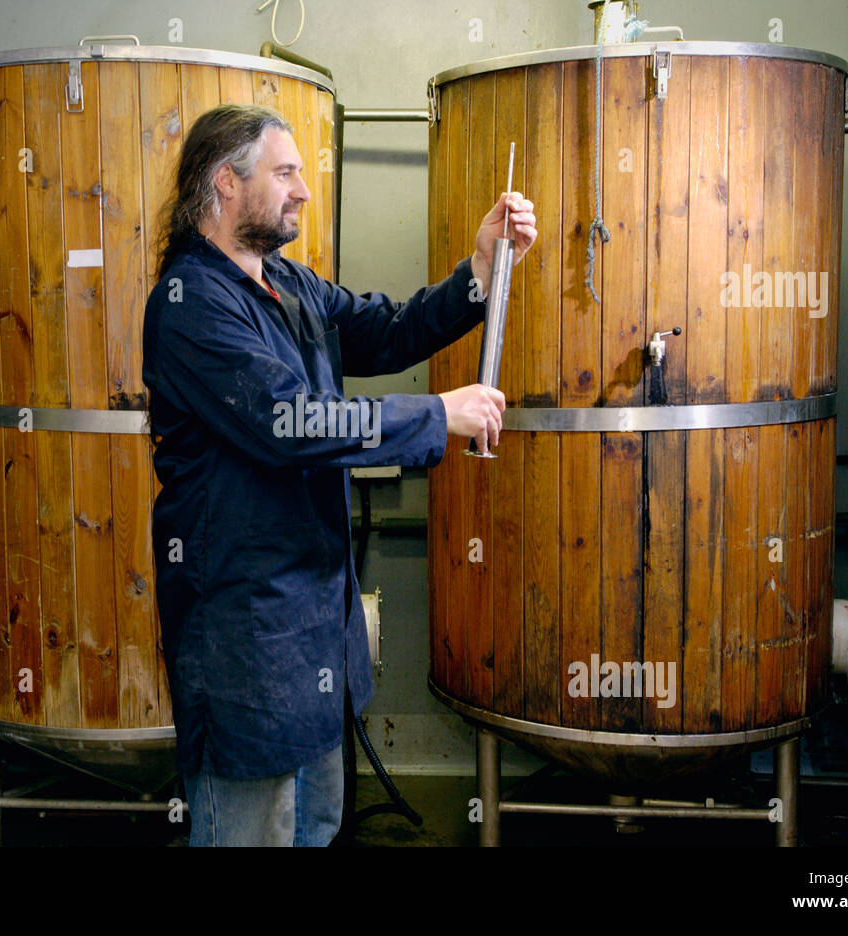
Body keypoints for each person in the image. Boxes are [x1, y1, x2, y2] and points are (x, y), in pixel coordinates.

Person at [142, 103, 536, 846]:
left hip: (313, 626)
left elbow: (390, 328)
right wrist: (435, 415)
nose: (304, 190)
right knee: (252, 833)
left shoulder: (287, 284)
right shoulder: (191, 306)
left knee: (318, 827)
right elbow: (290, 423)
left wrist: (481, 268)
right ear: (226, 182)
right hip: (246, 631)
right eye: (286, 173)